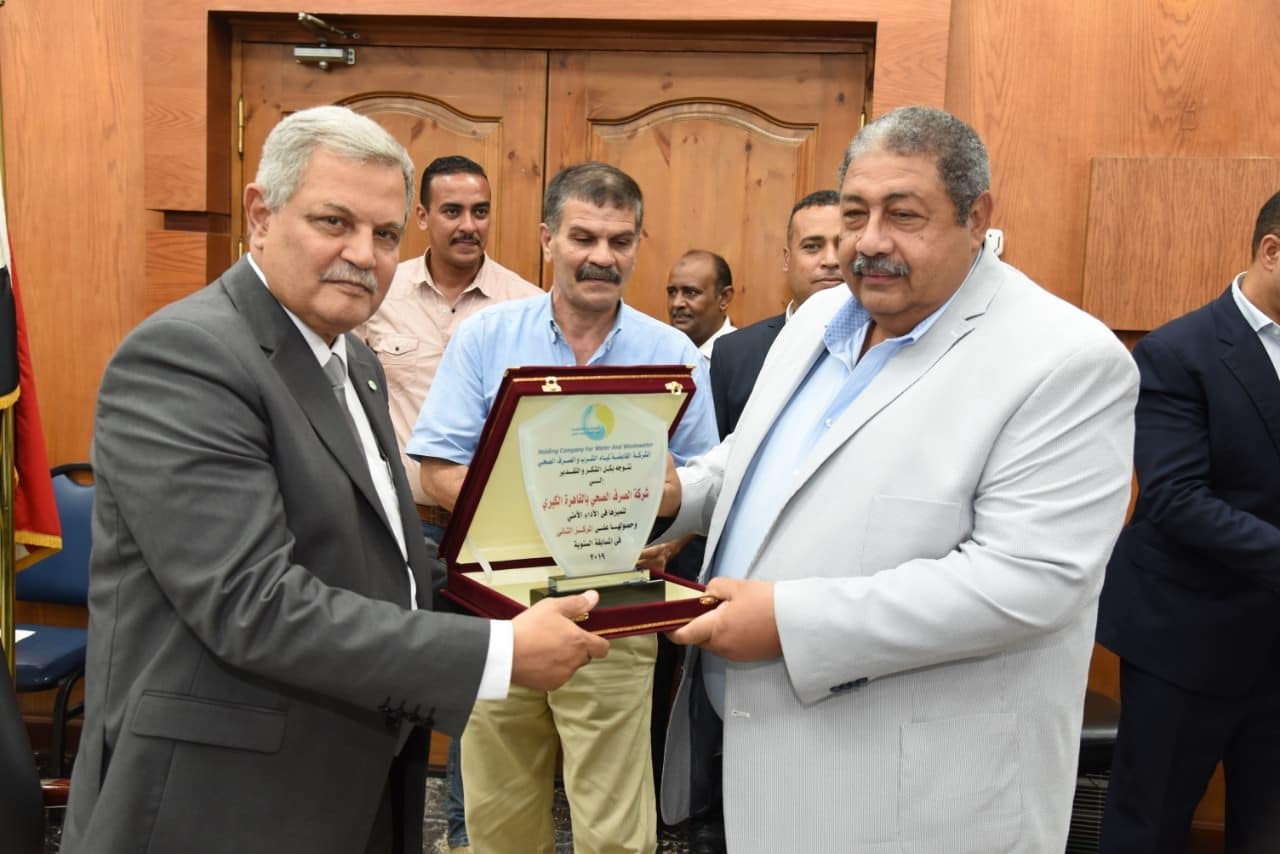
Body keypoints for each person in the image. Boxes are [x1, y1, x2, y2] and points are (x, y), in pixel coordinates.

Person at [61, 106, 608, 854]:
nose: (363, 255)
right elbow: (251, 603)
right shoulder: (188, 357)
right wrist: (500, 652)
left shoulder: (353, 360)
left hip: (350, 772)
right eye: (334, 222)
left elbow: (381, 560)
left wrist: (539, 580)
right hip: (218, 799)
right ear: (261, 214)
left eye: (385, 234)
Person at [654, 105, 1139, 852]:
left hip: (915, 798)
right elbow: (769, 457)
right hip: (749, 754)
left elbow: (1031, 582)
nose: (871, 241)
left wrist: (789, 621)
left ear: (977, 217)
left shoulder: (1065, 359)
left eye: (904, 215)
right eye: (855, 213)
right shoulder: (820, 318)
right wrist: (682, 493)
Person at [406, 161, 719, 854]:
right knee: (498, 811)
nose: (602, 256)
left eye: (620, 241)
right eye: (584, 237)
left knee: (615, 825)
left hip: (616, 606)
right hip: (502, 603)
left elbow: (702, 480)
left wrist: (668, 536)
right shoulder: (486, 337)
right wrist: (531, 518)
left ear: (637, 245)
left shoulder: (671, 353)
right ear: (548, 239)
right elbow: (437, 467)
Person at [359, 153, 540, 854]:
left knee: (479, 692)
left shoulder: (526, 305)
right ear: (422, 216)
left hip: (486, 534)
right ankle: (381, 828)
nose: (469, 225)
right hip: (395, 528)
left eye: (481, 210)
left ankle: (464, 838)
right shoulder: (378, 292)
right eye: (453, 211)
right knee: (385, 681)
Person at [1096, 190, 1280, 854]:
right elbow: (1176, 499)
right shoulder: (1178, 350)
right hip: (1186, 639)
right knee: (1148, 829)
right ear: (1272, 250)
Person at [710, 189, 842, 438]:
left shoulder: (884, 345)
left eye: (842, 244)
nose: (830, 260)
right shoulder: (733, 354)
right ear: (787, 259)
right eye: (812, 247)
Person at [666, 249, 735, 361]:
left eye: (691, 292)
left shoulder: (746, 356)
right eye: (672, 292)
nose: (676, 303)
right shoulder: (659, 352)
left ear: (724, 298)